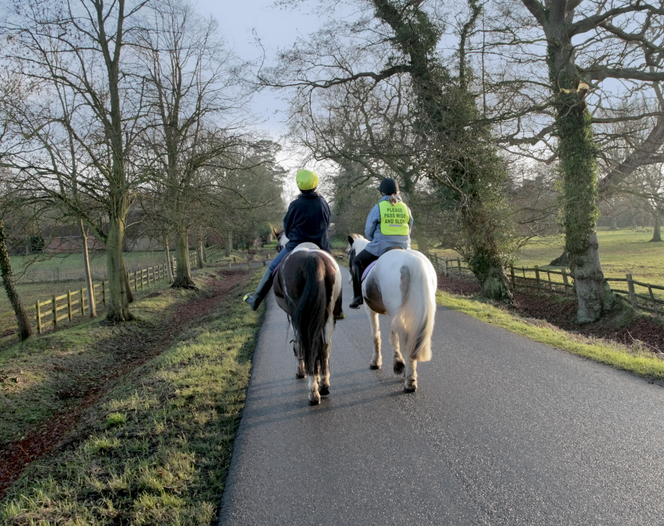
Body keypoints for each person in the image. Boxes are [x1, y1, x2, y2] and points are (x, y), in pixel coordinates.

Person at [244, 169, 342, 318]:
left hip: (296, 244)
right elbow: (327, 223)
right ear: (316, 184)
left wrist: (292, 235)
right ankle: (338, 309)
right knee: (335, 271)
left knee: (272, 268)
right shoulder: (323, 203)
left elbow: (288, 228)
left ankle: (256, 300)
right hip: (321, 244)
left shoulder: (295, 205)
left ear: (299, 186)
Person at [349, 177, 413, 309]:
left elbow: (369, 230)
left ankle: (357, 297)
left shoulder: (378, 207)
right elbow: (410, 226)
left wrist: (374, 239)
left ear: (382, 192)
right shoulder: (405, 208)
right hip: (403, 247)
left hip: (381, 247)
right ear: (398, 192)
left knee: (356, 262)